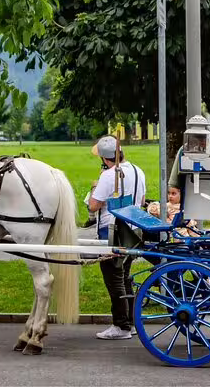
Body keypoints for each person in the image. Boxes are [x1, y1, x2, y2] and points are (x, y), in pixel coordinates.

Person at [88, 136, 146, 340]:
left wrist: (94, 190)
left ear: (104, 158)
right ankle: (130, 322)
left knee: (114, 279)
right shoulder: (138, 171)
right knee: (125, 276)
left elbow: (93, 206)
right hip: (134, 229)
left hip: (113, 230)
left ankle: (121, 325)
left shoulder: (109, 176)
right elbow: (142, 200)